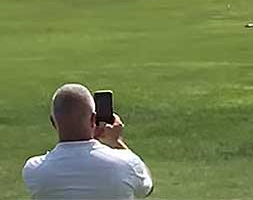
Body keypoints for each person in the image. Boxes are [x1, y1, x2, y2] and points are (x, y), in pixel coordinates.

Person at [22, 83, 154, 199]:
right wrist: (117, 142)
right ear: (93, 120)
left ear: (53, 122)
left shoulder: (34, 170)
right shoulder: (127, 163)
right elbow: (146, 189)